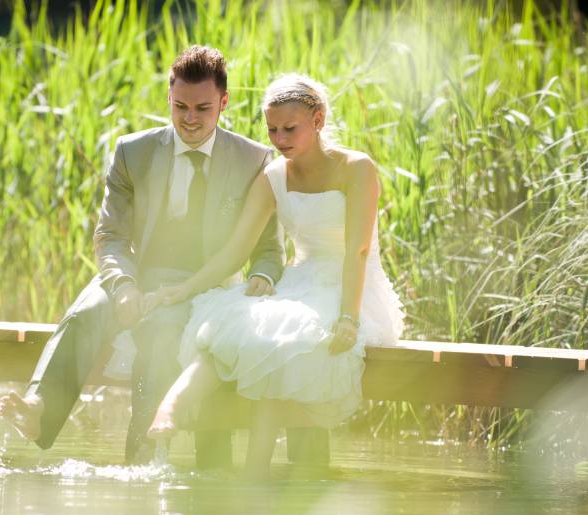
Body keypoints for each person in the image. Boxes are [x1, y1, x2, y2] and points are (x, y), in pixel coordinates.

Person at [0, 45, 288, 464]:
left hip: (206, 285)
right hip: (138, 273)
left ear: (224, 102)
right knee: (84, 314)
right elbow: (111, 234)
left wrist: (263, 275)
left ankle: (143, 462)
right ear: (168, 98)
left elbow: (268, 248)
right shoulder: (132, 152)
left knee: (162, 336)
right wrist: (124, 286)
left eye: (202, 108)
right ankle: (39, 408)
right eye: (180, 106)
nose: (190, 118)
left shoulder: (252, 160)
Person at [144, 74, 405, 479]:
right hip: (299, 281)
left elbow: (359, 250)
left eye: (290, 129)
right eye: (272, 130)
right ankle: (170, 408)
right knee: (232, 327)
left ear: (317, 120)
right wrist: (186, 287)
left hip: (348, 285)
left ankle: (254, 474)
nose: (279, 138)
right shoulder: (273, 176)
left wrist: (348, 318)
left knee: (290, 342)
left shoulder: (357, 168)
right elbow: (236, 249)